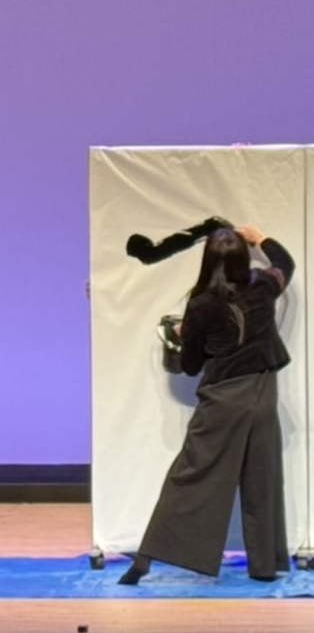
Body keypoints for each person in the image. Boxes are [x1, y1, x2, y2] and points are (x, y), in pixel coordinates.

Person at [120, 224, 294, 585]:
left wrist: (183, 335)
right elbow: (284, 264)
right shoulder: (262, 285)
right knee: (262, 479)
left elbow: (190, 365)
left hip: (223, 400)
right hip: (263, 393)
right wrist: (260, 239)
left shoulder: (201, 305)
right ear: (243, 258)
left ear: (208, 260)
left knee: (191, 475)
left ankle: (146, 561)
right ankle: (264, 568)